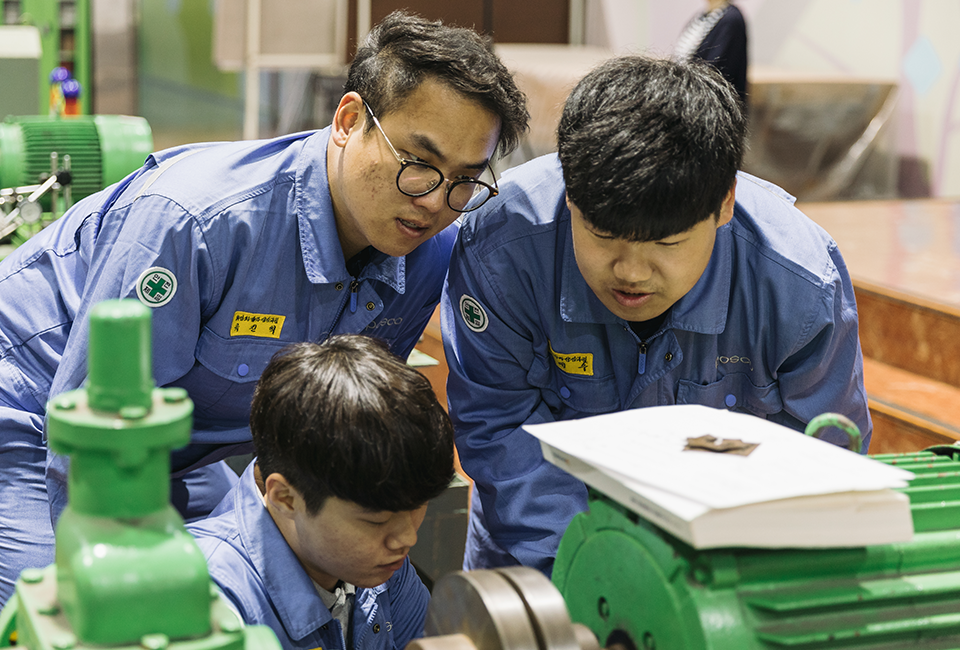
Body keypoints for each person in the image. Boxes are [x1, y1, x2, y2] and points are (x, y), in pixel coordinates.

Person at [0, 10, 527, 604]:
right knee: (72, 613)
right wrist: (97, 588)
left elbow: (337, 430)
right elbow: (91, 432)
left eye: (464, 180)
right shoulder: (197, 222)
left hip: (182, 447)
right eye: (419, 164)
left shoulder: (428, 253)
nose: (435, 202)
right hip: (38, 418)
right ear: (349, 120)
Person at [441, 55, 871, 576]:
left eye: (666, 243)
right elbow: (498, 425)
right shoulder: (503, 250)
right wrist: (592, 570)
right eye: (602, 235)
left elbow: (822, 458)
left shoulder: (798, 285)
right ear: (570, 195)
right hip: (542, 556)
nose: (631, 272)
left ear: (725, 204)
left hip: (723, 568)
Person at [188, 335, 454, 650]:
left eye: (417, 507)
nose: (406, 538)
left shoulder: (377, 562)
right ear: (286, 498)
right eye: (375, 520)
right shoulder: (204, 602)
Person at [674, 0, 748, 106]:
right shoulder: (702, 16)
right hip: (689, 98)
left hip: (711, 105)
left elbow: (716, 68)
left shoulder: (731, 19)